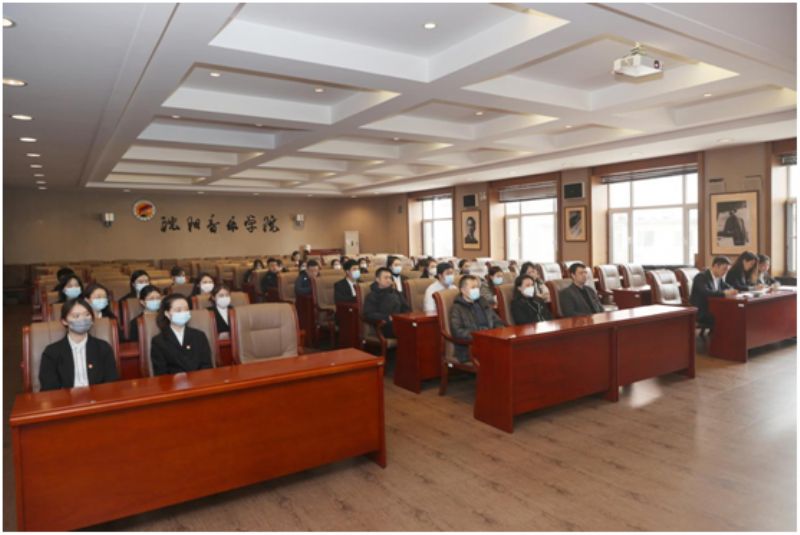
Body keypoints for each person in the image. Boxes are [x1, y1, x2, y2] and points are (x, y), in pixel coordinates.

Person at [39, 298, 119, 391]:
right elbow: (49, 388)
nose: (82, 319)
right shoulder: (51, 352)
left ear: (92, 319)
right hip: (65, 399)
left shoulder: (103, 348)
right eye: (76, 316)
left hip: (98, 398)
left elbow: (112, 383)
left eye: (87, 315)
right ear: (64, 321)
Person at [150, 294, 213, 376]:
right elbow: (160, 372)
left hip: (199, 380)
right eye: (178, 310)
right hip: (172, 383)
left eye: (186, 309)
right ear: (167, 314)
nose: (183, 313)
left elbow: (207, 365)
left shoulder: (199, 336)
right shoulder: (158, 341)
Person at [449, 275, 505, 363]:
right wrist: (481, 336)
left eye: (477, 287)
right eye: (473, 287)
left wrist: (497, 333)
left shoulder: (482, 301)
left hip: (491, 341)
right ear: (463, 290)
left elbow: (497, 320)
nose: (476, 290)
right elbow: (457, 331)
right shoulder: (457, 308)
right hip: (471, 347)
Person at [690, 256, 738, 328]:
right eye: (724, 269)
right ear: (716, 266)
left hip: (713, 309)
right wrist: (724, 293)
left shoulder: (719, 278)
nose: (725, 272)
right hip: (702, 312)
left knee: (735, 313)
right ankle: (720, 335)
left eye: (727, 270)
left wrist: (732, 291)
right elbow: (706, 293)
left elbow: (729, 287)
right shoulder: (701, 277)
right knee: (728, 316)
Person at [363, 267, 410, 338]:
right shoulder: (372, 295)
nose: (388, 280)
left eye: (390, 278)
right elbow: (369, 314)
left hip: (399, 322)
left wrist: (403, 318)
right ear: (377, 279)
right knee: (409, 332)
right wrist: (387, 317)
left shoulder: (396, 292)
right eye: (385, 278)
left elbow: (406, 308)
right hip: (384, 325)